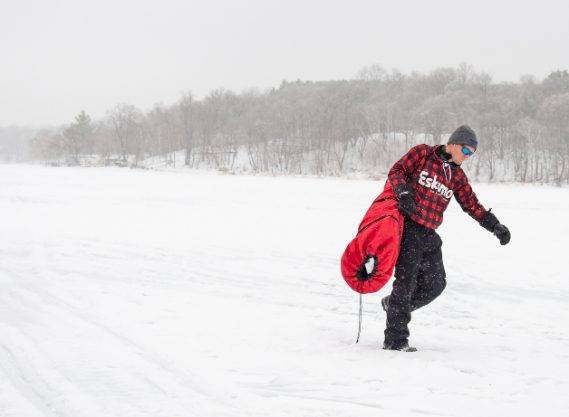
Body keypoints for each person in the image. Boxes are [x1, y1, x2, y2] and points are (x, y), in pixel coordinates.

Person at [382, 125, 511, 352]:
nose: (467, 156)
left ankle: (394, 306)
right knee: (406, 283)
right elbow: (397, 171)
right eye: (466, 150)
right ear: (452, 143)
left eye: (472, 153)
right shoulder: (423, 153)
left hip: (429, 233)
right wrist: (403, 192)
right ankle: (395, 341)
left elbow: (471, 205)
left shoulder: (457, 176)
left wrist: (495, 226)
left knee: (436, 284)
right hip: (409, 227)